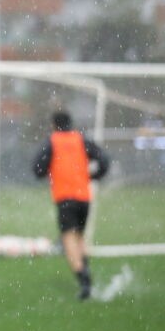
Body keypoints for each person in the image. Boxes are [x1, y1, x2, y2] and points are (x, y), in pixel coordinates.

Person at [33, 111, 110, 300]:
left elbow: (37, 168)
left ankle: (84, 281)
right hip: (84, 197)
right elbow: (104, 160)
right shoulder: (81, 139)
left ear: (53, 125)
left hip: (65, 197)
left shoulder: (53, 141)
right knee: (78, 237)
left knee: (68, 239)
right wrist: (93, 176)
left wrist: (49, 172)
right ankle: (85, 271)